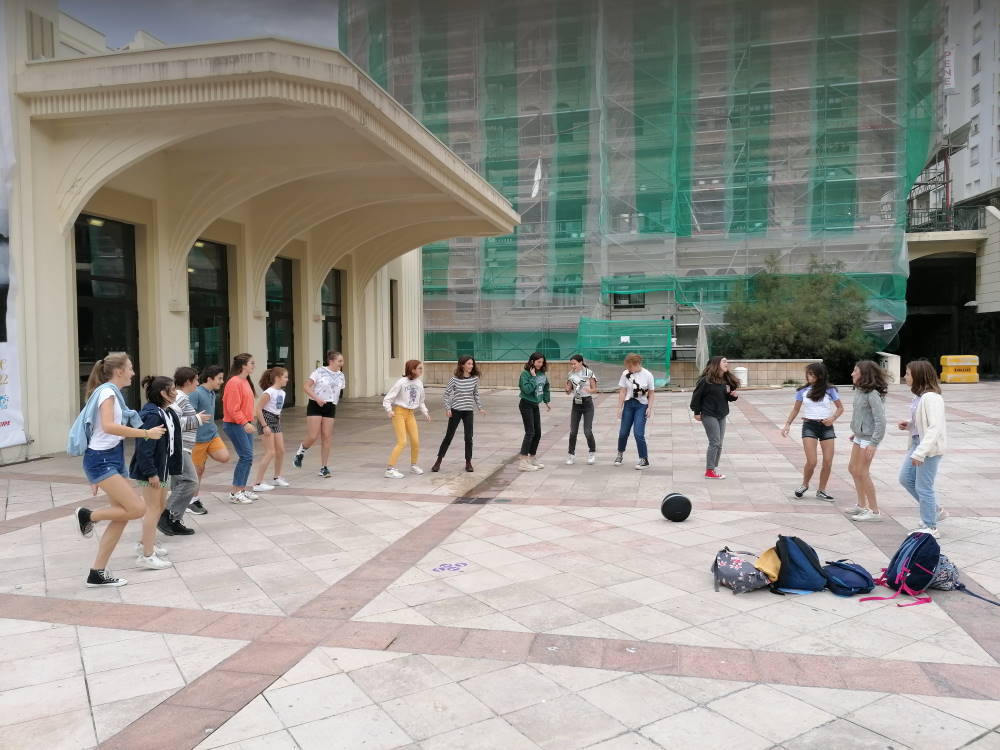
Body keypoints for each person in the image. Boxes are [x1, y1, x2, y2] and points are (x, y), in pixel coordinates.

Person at [73, 353, 165, 587]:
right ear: (119, 371)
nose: (134, 373)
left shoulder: (112, 393)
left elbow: (99, 431)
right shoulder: (106, 392)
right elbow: (109, 427)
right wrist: (146, 433)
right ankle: (88, 516)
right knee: (136, 508)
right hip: (101, 460)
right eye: (131, 368)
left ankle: (97, 572)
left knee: (122, 517)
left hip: (109, 458)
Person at [130, 375, 183, 570]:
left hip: (163, 469)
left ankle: (146, 543)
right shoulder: (152, 415)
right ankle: (147, 554)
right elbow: (144, 448)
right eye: (173, 389)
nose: (176, 392)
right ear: (163, 393)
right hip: (151, 471)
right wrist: (151, 473)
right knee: (152, 509)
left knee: (159, 506)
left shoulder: (166, 412)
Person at [897, 360, 948, 537]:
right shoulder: (919, 397)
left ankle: (930, 526)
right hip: (918, 443)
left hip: (929, 448)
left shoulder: (932, 398)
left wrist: (920, 453)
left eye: (908, 374)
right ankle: (935, 510)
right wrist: (910, 424)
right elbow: (922, 422)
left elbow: (935, 427)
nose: (905, 376)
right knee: (905, 478)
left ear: (918, 376)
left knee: (923, 486)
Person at [158, 367, 211, 536]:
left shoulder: (182, 397)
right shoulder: (180, 397)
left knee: (180, 484)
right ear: (188, 381)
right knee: (190, 482)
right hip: (179, 448)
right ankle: (166, 515)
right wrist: (197, 419)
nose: (197, 383)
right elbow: (171, 421)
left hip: (182, 447)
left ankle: (174, 521)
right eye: (196, 380)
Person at [781, 362, 843, 500]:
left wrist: (833, 418)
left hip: (826, 426)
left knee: (828, 461)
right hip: (809, 426)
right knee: (812, 461)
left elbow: (840, 408)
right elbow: (796, 409)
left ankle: (821, 490)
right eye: (808, 373)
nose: (808, 376)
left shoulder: (830, 390)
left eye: (811, 374)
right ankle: (805, 484)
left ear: (819, 375)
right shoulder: (802, 391)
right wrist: (787, 424)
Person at [845, 360, 888, 522]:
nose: (852, 373)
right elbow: (862, 416)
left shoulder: (872, 395)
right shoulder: (860, 391)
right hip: (859, 436)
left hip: (869, 439)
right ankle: (861, 505)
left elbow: (880, 421)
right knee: (852, 469)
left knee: (863, 472)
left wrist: (874, 443)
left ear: (864, 374)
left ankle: (875, 511)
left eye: (855, 371)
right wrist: (856, 432)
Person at [294, 351, 346, 478]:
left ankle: (324, 467)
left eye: (342, 361)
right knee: (313, 436)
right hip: (316, 404)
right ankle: (301, 451)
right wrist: (317, 398)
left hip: (330, 406)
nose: (341, 363)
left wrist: (332, 403)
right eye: (339, 361)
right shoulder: (319, 371)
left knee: (327, 437)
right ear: (331, 361)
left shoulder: (341, 375)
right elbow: (306, 386)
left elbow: (337, 392)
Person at [188, 365, 229, 514]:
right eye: (219, 378)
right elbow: (187, 415)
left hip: (212, 435)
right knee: (197, 471)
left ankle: (199, 460)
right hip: (197, 440)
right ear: (210, 378)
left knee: (224, 457)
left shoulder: (212, 393)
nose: (221, 381)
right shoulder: (196, 393)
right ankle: (191, 501)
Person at [432, 355, 484, 473]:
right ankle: (438, 461)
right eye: (469, 364)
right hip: (455, 411)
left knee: (468, 437)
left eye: (472, 364)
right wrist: (448, 408)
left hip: (468, 411)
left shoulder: (474, 379)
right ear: (462, 365)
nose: (471, 366)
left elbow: (476, 394)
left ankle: (468, 462)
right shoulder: (454, 379)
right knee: (449, 436)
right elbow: (446, 394)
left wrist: (480, 408)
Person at [690, 355, 739, 479]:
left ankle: (713, 467)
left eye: (727, 361)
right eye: (724, 361)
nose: (727, 363)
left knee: (719, 443)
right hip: (709, 414)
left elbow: (728, 397)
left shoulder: (725, 380)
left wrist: (733, 396)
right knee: (715, 442)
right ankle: (709, 471)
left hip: (721, 414)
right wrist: (696, 412)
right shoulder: (706, 380)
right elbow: (696, 396)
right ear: (717, 364)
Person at [383, 359, 431, 478]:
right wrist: (389, 410)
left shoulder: (419, 383)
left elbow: (421, 401)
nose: (421, 370)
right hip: (399, 413)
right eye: (419, 368)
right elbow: (387, 398)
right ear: (412, 369)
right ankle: (390, 469)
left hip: (411, 414)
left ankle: (413, 465)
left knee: (415, 441)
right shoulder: (401, 382)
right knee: (402, 442)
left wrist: (425, 412)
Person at [222, 353, 257, 504]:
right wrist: (245, 423)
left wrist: (250, 420)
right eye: (252, 363)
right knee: (246, 456)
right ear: (243, 366)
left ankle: (241, 489)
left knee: (248, 457)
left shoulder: (245, 381)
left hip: (244, 423)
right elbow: (232, 408)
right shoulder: (234, 382)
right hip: (236, 425)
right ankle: (235, 492)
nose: (254, 366)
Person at [251, 366, 289, 492]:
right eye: (285, 377)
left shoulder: (282, 393)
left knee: (281, 450)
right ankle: (258, 483)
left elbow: (278, 409)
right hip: (266, 420)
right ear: (277, 378)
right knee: (270, 452)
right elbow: (258, 409)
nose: (287, 380)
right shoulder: (269, 392)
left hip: (276, 421)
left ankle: (277, 477)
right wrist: (264, 426)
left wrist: (278, 420)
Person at [615, 353, 655, 470]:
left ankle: (644, 459)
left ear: (637, 364)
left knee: (638, 433)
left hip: (641, 405)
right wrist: (619, 408)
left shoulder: (648, 375)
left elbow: (651, 393)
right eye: (627, 367)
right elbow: (622, 391)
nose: (628, 369)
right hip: (628, 404)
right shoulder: (625, 374)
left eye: (630, 367)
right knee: (623, 432)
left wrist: (649, 408)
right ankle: (620, 454)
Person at [517, 352, 551, 471]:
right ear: (532, 362)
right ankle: (523, 461)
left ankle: (532, 458)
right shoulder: (525, 374)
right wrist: (533, 377)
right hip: (526, 404)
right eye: (538, 362)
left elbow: (546, 387)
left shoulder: (542, 373)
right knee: (530, 432)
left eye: (542, 362)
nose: (540, 364)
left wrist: (546, 401)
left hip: (535, 404)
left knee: (538, 432)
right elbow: (527, 390)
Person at [565, 354, 598, 465]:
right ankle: (571, 455)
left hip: (587, 403)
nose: (573, 366)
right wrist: (567, 389)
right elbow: (568, 390)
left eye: (574, 363)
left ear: (581, 362)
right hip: (576, 403)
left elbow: (595, 389)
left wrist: (590, 390)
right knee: (573, 431)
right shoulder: (570, 374)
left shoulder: (589, 373)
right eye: (571, 364)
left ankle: (592, 453)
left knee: (587, 431)